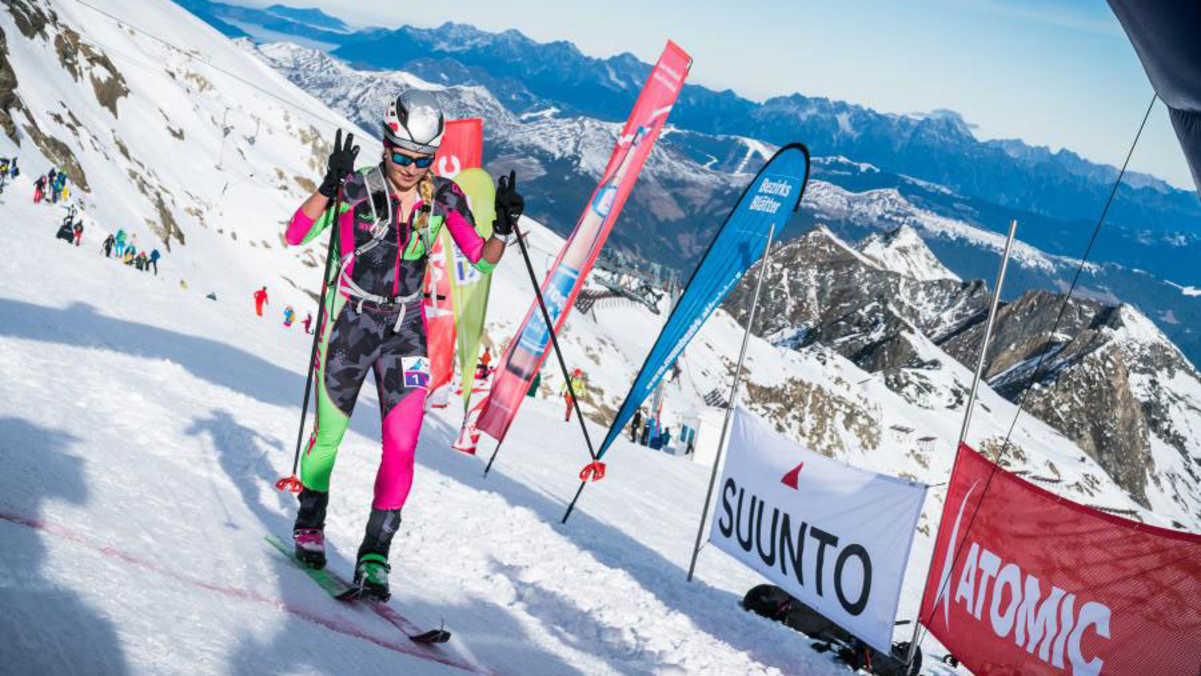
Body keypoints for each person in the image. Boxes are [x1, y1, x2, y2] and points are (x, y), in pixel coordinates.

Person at [284, 91, 521, 600]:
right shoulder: (352, 189)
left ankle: (375, 555)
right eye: (402, 155)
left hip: (407, 331)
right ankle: (310, 524)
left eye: (423, 158)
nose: (412, 167)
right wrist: (327, 189)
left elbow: (481, 259)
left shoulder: (445, 198)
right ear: (385, 144)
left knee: (402, 448)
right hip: (351, 323)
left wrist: (502, 228)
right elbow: (295, 234)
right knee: (329, 439)